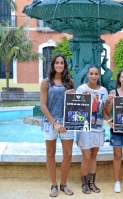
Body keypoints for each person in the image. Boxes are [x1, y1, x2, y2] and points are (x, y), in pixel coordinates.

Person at [40, 53, 75, 197]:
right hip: (51, 123)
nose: (59, 65)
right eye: (57, 63)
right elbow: (42, 105)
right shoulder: (46, 82)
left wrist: (76, 95)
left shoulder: (70, 82)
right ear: (53, 65)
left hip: (67, 123)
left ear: (65, 65)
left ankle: (63, 184)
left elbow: (74, 105)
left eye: (62, 63)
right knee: (50, 153)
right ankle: (54, 185)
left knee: (67, 154)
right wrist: (54, 123)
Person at [76, 66, 108, 194]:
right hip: (85, 128)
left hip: (98, 127)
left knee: (94, 155)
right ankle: (84, 183)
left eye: (96, 74)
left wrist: (109, 119)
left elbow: (104, 110)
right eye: (91, 74)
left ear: (99, 75)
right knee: (86, 156)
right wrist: (81, 98)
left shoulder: (104, 91)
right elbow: (75, 108)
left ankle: (91, 182)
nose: (93, 76)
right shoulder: (81, 89)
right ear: (87, 75)